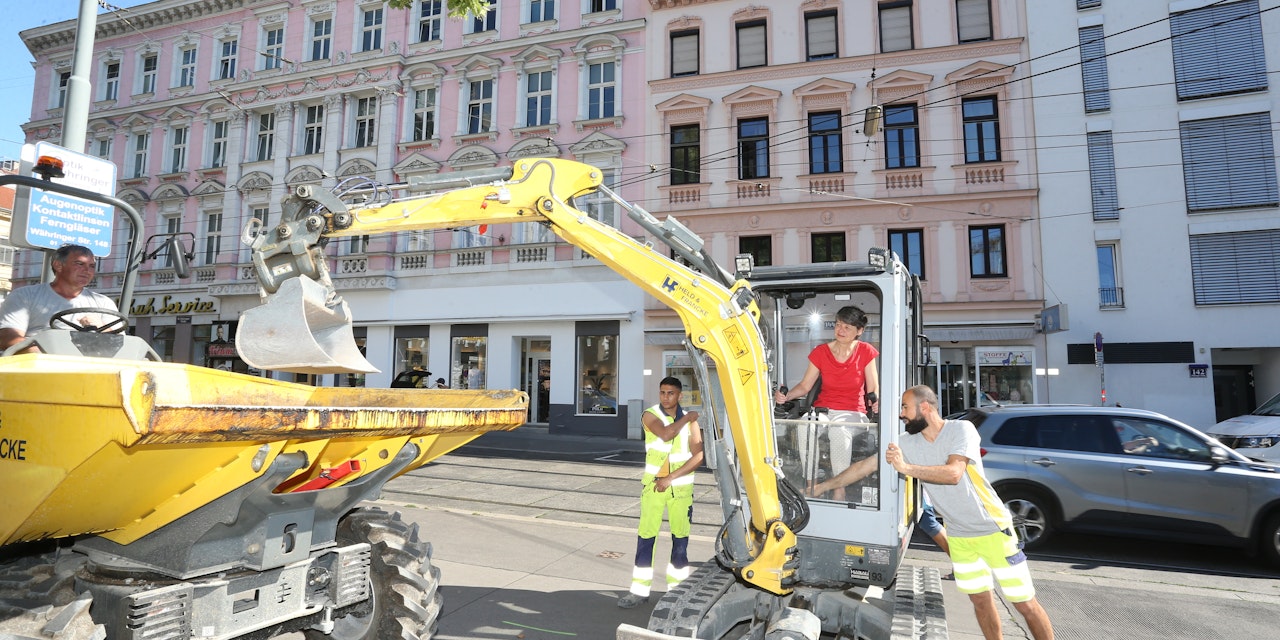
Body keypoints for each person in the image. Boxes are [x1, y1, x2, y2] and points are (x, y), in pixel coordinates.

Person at [886, 385, 1055, 640]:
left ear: (924, 407)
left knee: (1024, 604)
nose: (901, 414)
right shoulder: (907, 442)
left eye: (905, 407)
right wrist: (825, 486)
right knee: (980, 602)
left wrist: (905, 467)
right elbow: (870, 464)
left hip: (993, 529)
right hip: (959, 537)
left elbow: (954, 473)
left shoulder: (961, 430)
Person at [774, 305, 880, 500]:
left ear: (860, 331)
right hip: (823, 410)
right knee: (806, 425)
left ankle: (839, 488)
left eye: (847, 327)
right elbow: (805, 386)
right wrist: (785, 397)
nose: (841, 330)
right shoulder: (821, 352)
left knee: (838, 430)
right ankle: (811, 485)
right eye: (838, 325)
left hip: (853, 413)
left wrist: (876, 402)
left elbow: (873, 387)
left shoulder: (866, 351)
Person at [618, 376, 704, 609]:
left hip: (681, 489)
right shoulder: (650, 414)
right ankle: (639, 591)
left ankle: (676, 593)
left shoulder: (691, 423)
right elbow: (666, 434)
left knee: (680, 542)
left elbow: (699, 456)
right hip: (654, 487)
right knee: (646, 538)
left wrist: (671, 478)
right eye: (662, 392)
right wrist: (687, 417)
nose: (666, 397)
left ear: (679, 395)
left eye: (671, 393)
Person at [0, 244, 119, 354]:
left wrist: (102, 327)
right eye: (80, 264)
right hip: (38, 366)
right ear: (58, 265)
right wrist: (51, 356)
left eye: (92, 266)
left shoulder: (103, 303)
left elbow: (119, 347)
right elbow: (8, 338)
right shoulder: (25, 296)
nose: (87, 271)